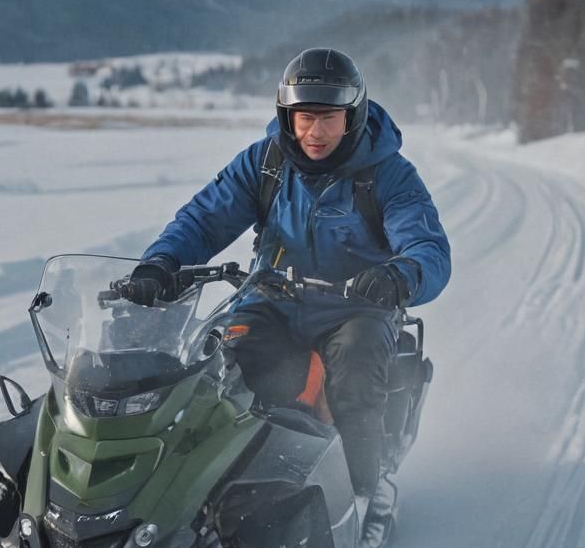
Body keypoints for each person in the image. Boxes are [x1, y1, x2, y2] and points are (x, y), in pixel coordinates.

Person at [128, 48, 451, 519]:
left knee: (355, 379)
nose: (315, 132)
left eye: (329, 118)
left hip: (356, 307)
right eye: (304, 117)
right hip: (272, 298)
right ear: (287, 115)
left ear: (352, 117)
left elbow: (428, 247)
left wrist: (398, 276)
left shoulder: (389, 174)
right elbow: (204, 219)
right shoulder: (266, 164)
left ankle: (365, 494)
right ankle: (209, 494)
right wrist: (159, 263)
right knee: (221, 377)